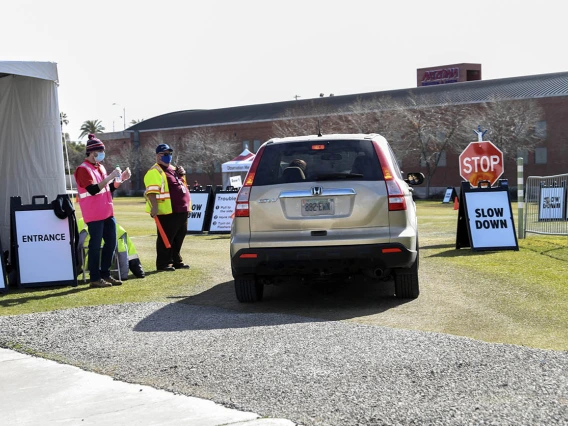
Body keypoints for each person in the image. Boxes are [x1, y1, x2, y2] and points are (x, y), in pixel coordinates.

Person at [74, 134, 131, 288]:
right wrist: (109, 177)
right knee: (95, 244)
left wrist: (121, 179)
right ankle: (94, 278)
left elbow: (108, 188)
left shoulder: (100, 167)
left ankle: (105, 274)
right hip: (93, 213)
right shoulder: (82, 169)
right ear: (91, 152)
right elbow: (93, 190)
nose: (101, 154)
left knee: (111, 242)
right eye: (99, 151)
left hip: (107, 211)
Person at [144, 144, 191, 272]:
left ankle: (177, 260)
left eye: (169, 153)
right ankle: (163, 263)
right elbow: (151, 191)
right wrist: (154, 207)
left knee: (179, 236)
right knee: (166, 237)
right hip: (167, 210)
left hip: (181, 209)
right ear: (157, 156)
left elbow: (182, 186)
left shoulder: (174, 169)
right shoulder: (155, 171)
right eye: (164, 154)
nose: (167, 156)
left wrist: (182, 175)